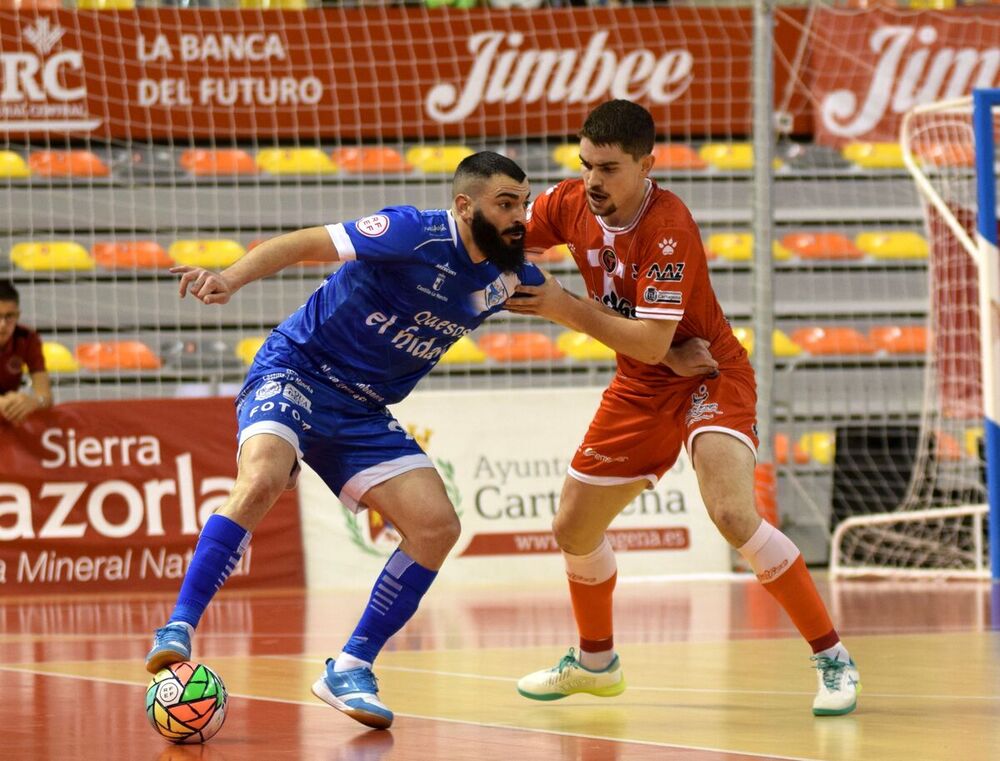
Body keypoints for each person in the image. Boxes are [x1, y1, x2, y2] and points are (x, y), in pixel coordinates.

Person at [507, 100, 861, 717]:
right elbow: (503, 245)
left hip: (710, 373)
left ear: (648, 164)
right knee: (572, 529)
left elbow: (648, 337)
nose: (593, 181)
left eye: (610, 168)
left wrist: (560, 304)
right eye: (586, 164)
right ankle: (596, 664)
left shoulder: (668, 224)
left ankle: (832, 658)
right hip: (644, 384)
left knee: (729, 511)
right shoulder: (568, 201)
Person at [0, 280, 52, 425]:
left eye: (9, 316)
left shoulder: (28, 338)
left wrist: (34, 401)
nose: (3, 324)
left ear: (18, 315)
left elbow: (45, 396)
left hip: (9, 414)